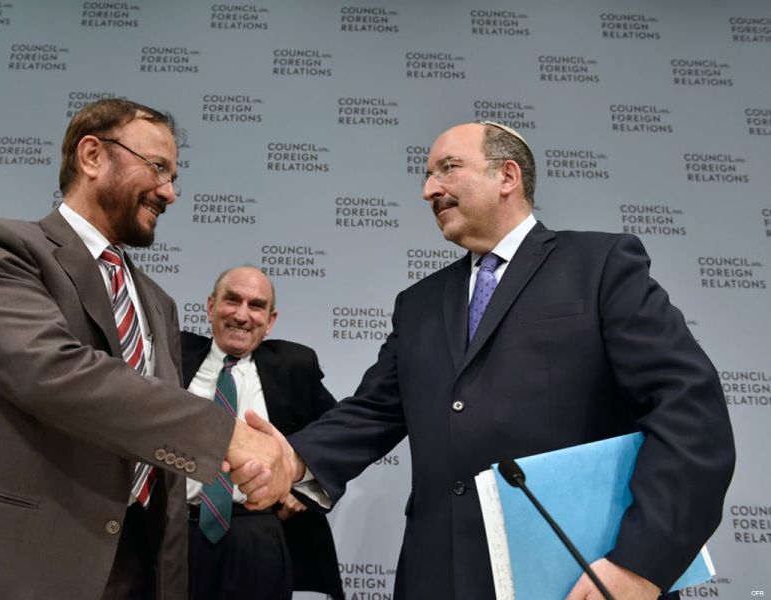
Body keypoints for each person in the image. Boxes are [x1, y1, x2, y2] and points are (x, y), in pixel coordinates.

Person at [279, 122, 736, 600]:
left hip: (580, 576)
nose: (429, 190)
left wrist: (641, 565)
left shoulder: (601, 265)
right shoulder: (418, 304)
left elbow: (689, 412)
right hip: (439, 576)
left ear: (507, 176)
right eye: (427, 176)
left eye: (447, 168)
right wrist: (292, 459)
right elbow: (373, 410)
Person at [0, 98, 292, 599]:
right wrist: (226, 436)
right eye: (158, 167)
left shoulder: (158, 303)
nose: (170, 192)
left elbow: (157, 453)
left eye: (174, 176)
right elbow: (52, 371)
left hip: (123, 574)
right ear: (92, 156)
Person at [180, 265, 344, 600]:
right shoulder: (173, 353)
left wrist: (301, 485)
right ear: (211, 307)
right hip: (174, 534)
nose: (242, 315)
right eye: (232, 300)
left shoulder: (295, 365)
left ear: (270, 321)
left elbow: (338, 434)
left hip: (256, 534)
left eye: (256, 306)